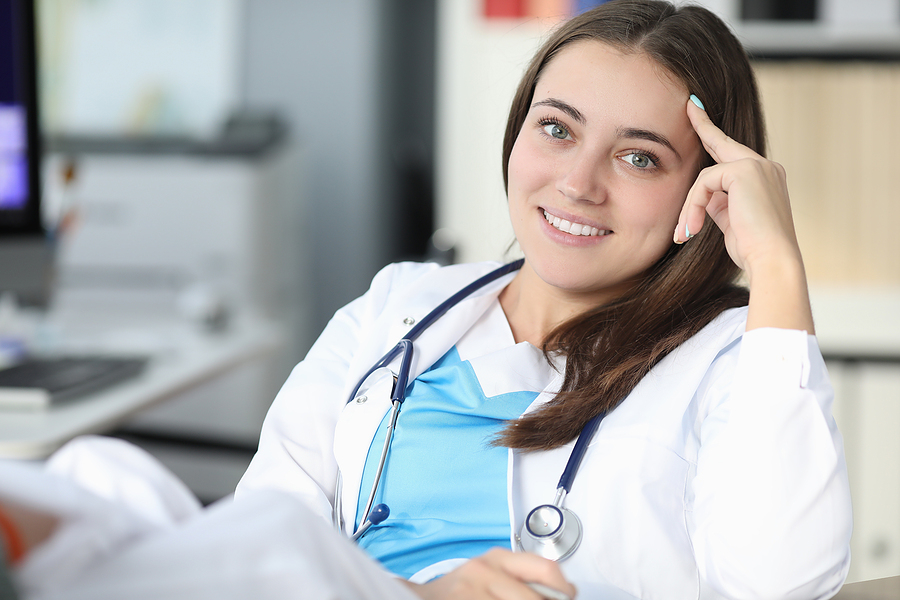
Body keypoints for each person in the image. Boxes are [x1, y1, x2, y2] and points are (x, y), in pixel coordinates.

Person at [237, 0, 853, 598]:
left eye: (639, 158)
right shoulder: (397, 302)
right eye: (557, 128)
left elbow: (782, 585)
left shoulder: (731, 358)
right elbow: (261, 540)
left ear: (704, 189)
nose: (578, 184)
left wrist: (777, 264)